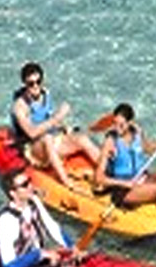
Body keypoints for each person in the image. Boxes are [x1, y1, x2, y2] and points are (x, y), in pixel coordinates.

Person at [7, 60, 101, 191]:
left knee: (82, 138)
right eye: (31, 83)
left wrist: (64, 126)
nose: (35, 86)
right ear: (24, 84)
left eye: (38, 82)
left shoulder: (45, 94)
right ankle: (68, 183)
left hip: (51, 141)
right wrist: (57, 117)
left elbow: (48, 116)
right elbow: (31, 133)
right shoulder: (20, 106)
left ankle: (107, 171)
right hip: (34, 150)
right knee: (47, 139)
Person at [96, 102, 156, 221]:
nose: (117, 129)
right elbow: (99, 178)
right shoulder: (111, 141)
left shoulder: (137, 132)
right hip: (123, 190)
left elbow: (147, 148)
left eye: (121, 125)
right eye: (115, 124)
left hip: (141, 179)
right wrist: (124, 184)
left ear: (130, 122)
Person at [0, 168, 80, 267]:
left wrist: (72, 247)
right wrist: (40, 254)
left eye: (29, 181)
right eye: (24, 185)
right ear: (13, 193)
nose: (31, 186)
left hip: (35, 258)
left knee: (69, 259)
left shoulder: (33, 201)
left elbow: (52, 226)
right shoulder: (7, 221)